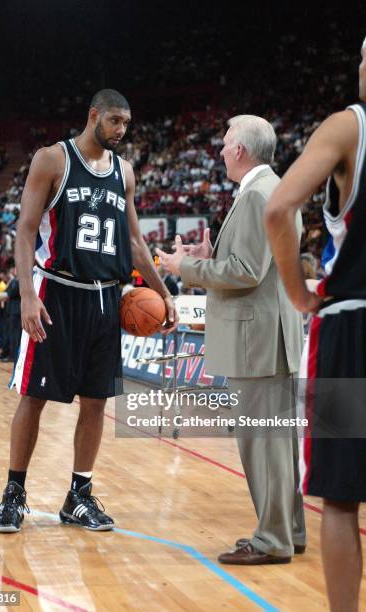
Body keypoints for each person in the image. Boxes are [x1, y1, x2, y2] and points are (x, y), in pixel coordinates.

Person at [0, 89, 178, 533]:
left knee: (96, 402)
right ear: (93, 115)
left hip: (106, 298)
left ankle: (78, 495)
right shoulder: (52, 160)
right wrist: (28, 295)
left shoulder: (125, 172)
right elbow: (25, 230)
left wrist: (164, 292)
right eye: (114, 121)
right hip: (56, 293)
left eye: (126, 124)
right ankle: (13, 494)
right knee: (34, 397)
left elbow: (134, 244)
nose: (120, 130)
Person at [157, 115, 305, 564]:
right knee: (277, 446)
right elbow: (251, 263)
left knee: (264, 445)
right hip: (268, 336)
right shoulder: (268, 188)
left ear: (240, 150)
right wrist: (211, 255)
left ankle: (271, 541)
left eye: (224, 144)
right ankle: (288, 531)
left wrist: (185, 268)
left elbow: (245, 272)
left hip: (258, 341)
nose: (220, 151)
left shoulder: (259, 192)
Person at [265, 38, 366, 612]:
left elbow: (279, 209)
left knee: (342, 498)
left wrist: (300, 293)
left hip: (352, 325)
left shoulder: (348, 127)